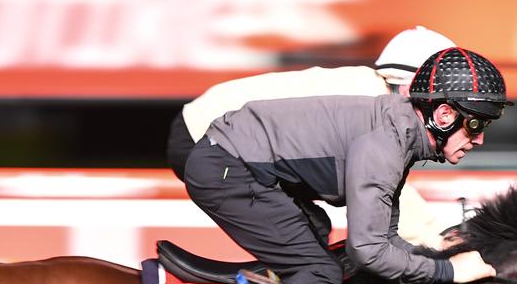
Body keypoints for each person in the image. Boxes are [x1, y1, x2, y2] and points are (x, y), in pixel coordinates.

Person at [183, 48, 510, 284]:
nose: (480, 138)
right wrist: (447, 271)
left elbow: (385, 238)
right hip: (226, 166)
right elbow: (370, 252)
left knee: (319, 234)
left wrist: (439, 260)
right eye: (475, 124)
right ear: (443, 115)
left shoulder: (400, 134)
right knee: (318, 271)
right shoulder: (386, 144)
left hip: (243, 161)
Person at [168, 26, 458, 249]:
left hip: (208, 129)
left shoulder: (370, 88)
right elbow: (386, 186)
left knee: (314, 230)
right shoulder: (372, 103)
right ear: (409, 87)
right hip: (204, 137)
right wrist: (437, 241)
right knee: (308, 252)